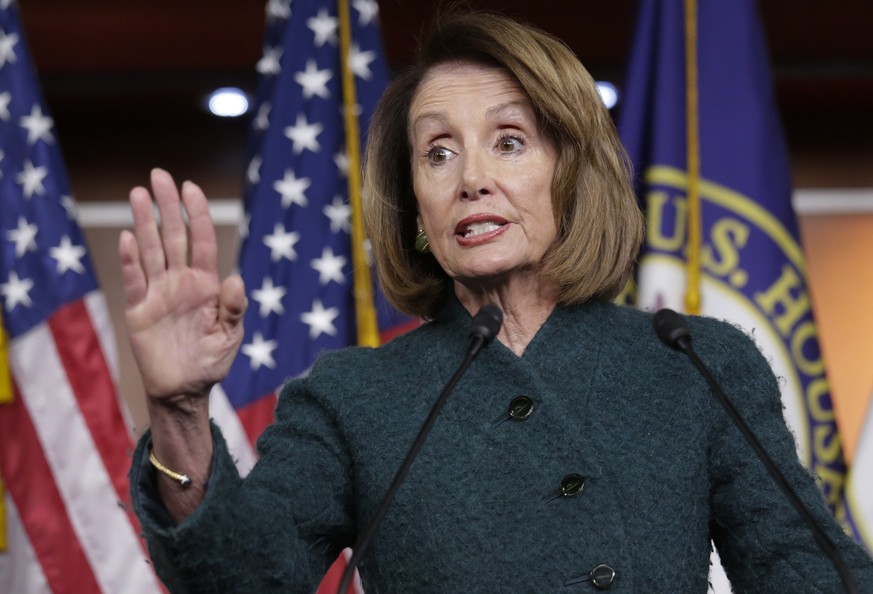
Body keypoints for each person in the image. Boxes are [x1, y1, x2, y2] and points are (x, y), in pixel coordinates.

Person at [121, 11, 873, 593]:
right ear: (416, 207)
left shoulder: (695, 365)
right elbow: (240, 577)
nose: (470, 178)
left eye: (508, 141)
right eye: (437, 152)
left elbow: (806, 573)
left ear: (570, 174)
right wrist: (180, 411)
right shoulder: (351, 399)